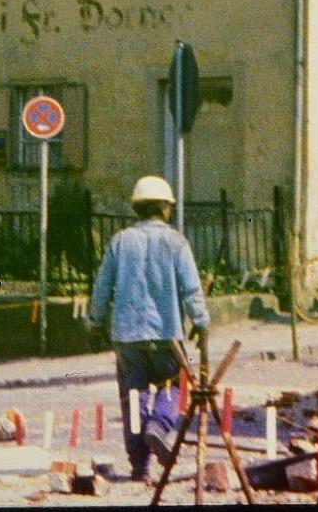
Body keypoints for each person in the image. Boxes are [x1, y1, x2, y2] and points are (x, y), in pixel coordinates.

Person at [88, 175, 210, 481]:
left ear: (137, 208)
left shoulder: (120, 241)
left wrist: (95, 319)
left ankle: (139, 466)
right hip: (167, 335)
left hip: (127, 335)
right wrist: (201, 323)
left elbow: (102, 287)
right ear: (165, 208)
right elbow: (191, 289)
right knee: (172, 385)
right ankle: (160, 425)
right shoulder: (176, 242)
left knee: (133, 397)